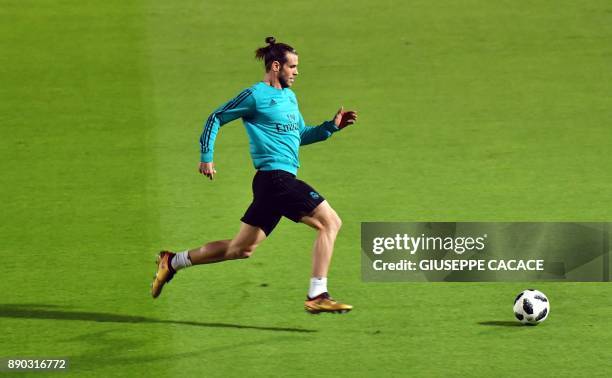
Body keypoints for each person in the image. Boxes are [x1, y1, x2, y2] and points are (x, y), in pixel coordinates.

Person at [151, 36, 358, 314]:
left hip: (273, 184)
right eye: (292, 67)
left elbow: (298, 136)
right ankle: (318, 293)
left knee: (240, 249)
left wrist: (330, 128)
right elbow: (216, 117)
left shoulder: (289, 97)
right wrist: (206, 156)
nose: (297, 72)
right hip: (275, 179)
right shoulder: (254, 96)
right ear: (276, 66)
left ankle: (173, 261)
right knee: (330, 222)